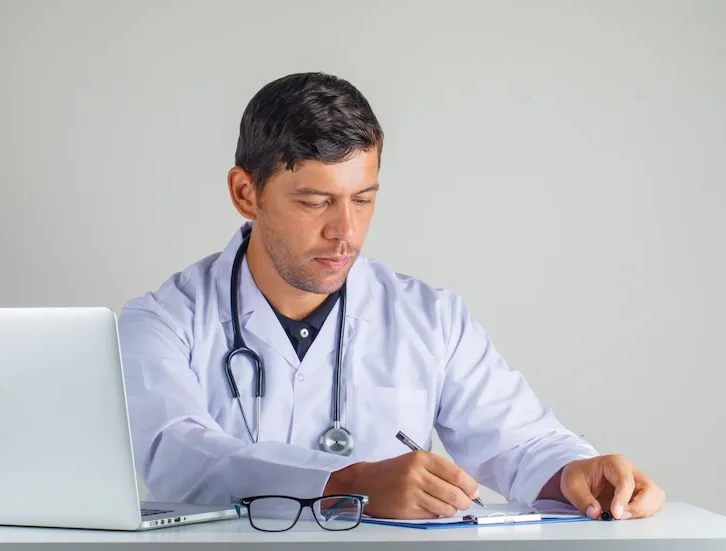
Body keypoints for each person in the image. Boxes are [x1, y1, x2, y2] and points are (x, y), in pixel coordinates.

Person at [117, 71, 665, 521]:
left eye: (363, 199)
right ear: (245, 193)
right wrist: (347, 483)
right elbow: (176, 452)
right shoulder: (163, 321)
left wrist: (572, 473)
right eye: (315, 202)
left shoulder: (430, 318)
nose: (345, 231)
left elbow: (518, 441)